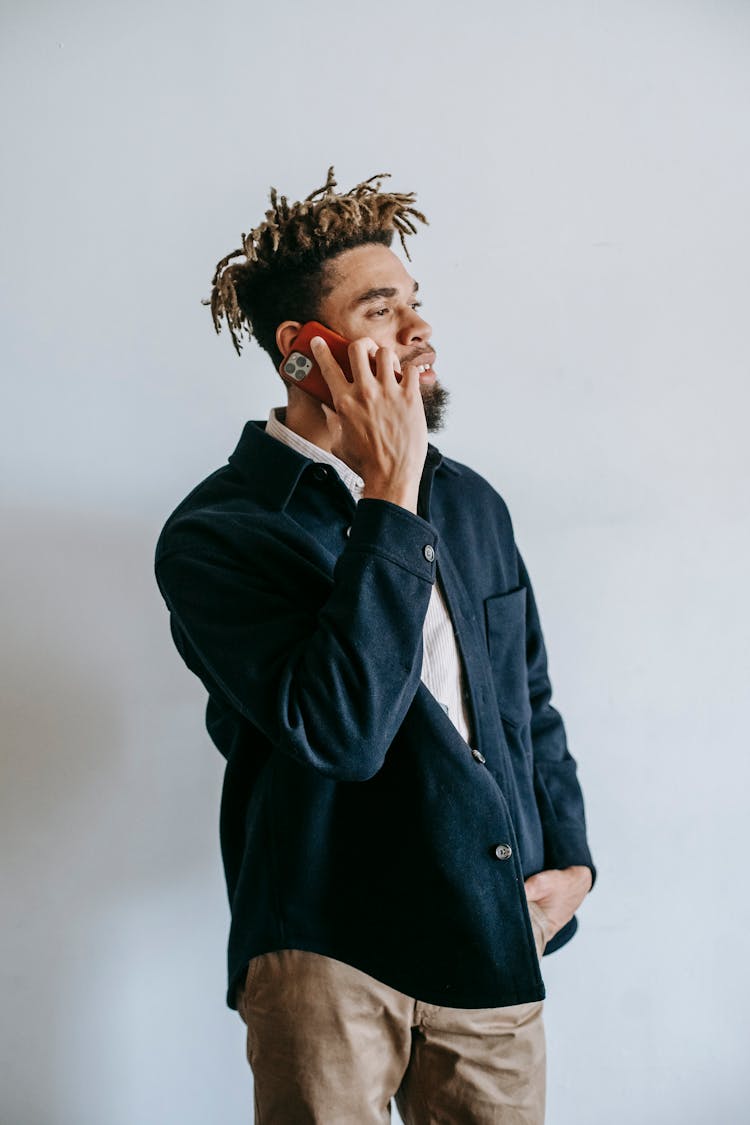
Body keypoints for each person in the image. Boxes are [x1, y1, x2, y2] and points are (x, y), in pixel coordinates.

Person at [154, 168, 596, 1124]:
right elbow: (341, 728)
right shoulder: (220, 532)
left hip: (492, 936)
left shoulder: (472, 502)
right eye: (382, 310)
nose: (420, 333)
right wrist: (390, 493)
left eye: (417, 307)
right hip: (326, 949)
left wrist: (573, 863)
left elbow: (530, 702)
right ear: (303, 352)